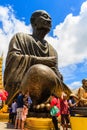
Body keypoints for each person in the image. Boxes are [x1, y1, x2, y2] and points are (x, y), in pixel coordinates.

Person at [4, 10, 71, 106]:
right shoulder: (20, 38)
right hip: (25, 84)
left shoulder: (52, 50)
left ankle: (46, 101)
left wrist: (58, 76)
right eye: (45, 17)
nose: (49, 21)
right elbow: (13, 59)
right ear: (33, 22)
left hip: (46, 88)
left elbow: (55, 74)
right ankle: (30, 102)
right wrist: (39, 61)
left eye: (50, 19)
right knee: (38, 70)